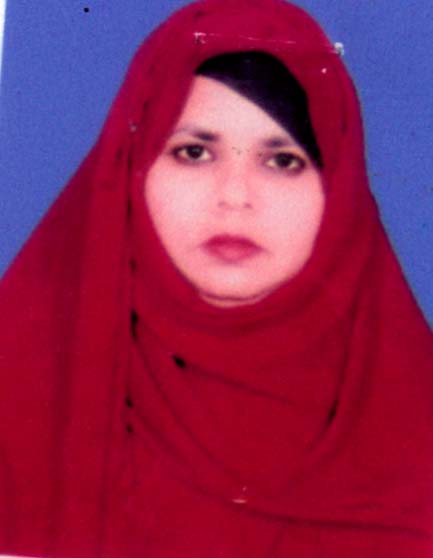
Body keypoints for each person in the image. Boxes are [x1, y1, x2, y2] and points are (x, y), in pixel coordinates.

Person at [0, 0, 432, 556]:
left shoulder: (414, 423)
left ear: (339, 194)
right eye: (194, 152)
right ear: (132, 167)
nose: (234, 196)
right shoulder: (22, 392)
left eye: (282, 161)